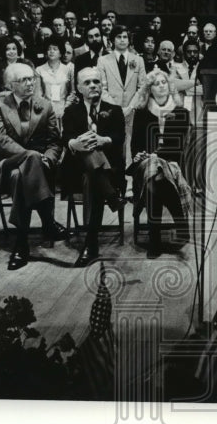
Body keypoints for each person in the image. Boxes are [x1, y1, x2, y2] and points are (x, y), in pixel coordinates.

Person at [0, 62, 66, 270]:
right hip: (6, 164)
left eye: (31, 78)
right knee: (28, 161)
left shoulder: (45, 104)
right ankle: (48, 223)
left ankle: (21, 244)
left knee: (20, 178)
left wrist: (47, 158)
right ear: (11, 85)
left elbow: (54, 141)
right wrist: (31, 156)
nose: (30, 83)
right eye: (23, 80)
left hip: (34, 169)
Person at [61, 67, 126, 267]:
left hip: (109, 171)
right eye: (87, 83)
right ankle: (112, 197)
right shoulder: (71, 112)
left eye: (96, 82)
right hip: (75, 170)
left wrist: (103, 140)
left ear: (102, 85)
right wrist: (75, 143)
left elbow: (119, 138)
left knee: (92, 178)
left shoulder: (114, 110)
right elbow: (65, 138)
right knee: (86, 147)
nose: (93, 86)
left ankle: (91, 244)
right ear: (79, 88)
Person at [128, 71, 192, 258]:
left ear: (169, 86)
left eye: (164, 82)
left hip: (172, 164)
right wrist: (142, 155)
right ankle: (181, 223)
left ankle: (154, 239)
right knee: (153, 170)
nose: (161, 85)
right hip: (144, 164)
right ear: (149, 89)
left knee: (156, 177)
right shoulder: (140, 113)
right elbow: (135, 146)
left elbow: (177, 147)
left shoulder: (181, 113)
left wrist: (155, 155)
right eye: (156, 83)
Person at [98, 25, 147, 166]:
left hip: (131, 110)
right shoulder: (103, 60)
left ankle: (128, 177)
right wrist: (116, 108)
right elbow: (102, 88)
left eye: (125, 37)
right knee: (113, 142)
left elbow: (142, 87)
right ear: (113, 40)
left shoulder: (138, 60)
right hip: (111, 110)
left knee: (130, 142)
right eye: (118, 37)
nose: (122, 40)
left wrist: (131, 107)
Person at [35, 37, 75, 122]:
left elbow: (72, 92)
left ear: (61, 53)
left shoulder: (68, 69)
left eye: (55, 49)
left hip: (64, 109)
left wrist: (66, 107)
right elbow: (38, 94)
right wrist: (46, 108)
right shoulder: (39, 70)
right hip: (46, 111)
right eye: (49, 49)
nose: (51, 51)